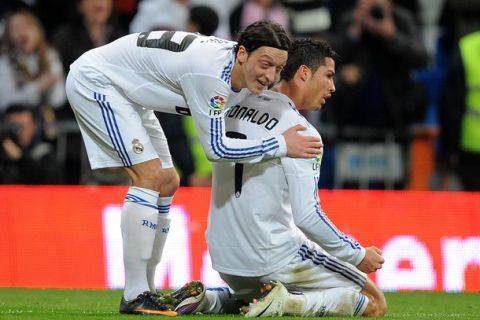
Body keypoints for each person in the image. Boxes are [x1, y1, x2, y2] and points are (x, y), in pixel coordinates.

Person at [65, 20, 322, 315]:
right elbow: (217, 150)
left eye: (278, 69)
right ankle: (135, 294)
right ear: (242, 54)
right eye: (265, 64)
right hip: (97, 81)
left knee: (168, 181)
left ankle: (147, 291)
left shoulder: (229, 69)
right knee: (149, 177)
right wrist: (281, 144)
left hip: (129, 91)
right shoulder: (212, 76)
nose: (270, 76)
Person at [165, 39, 387, 317]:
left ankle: (210, 300)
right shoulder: (302, 134)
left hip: (224, 259)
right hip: (271, 254)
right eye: (328, 76)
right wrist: (357, 254)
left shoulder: (233, 104)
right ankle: (290, 304)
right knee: (375, 302)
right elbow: (307, 216)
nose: (332, 87)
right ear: (304, 73)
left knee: (263, 292)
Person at [0, 8, 66, 140]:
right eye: (16, 28)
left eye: (27, 25)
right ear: (9, 35)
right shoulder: (4, 61)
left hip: (45, 129)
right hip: (14, 130)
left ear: (37, 31)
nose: (22, 32)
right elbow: (5, 101)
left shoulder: (50, 56)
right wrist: (37, 87)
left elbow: (59, 99)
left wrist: (50, 87)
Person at [0, 104, 63, 184]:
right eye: (13, 127)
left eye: (23, 126)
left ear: (34, 126)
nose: (18, 132)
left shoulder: (43, 154)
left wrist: (20, 159)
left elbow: (50, 181)